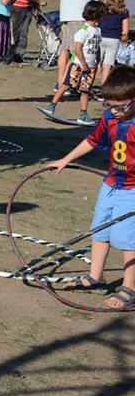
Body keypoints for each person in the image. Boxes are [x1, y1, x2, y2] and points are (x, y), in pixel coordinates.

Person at [50, 66, 135, 308]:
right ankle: (95, 277)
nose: (115, 111)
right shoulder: (109, 118)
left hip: (132, 189)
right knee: (100, 230)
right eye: (110, 105)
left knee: (127, 239)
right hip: (111, 183)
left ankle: (130, 288)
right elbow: (92, 140)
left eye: (121, 107)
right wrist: (65, 159)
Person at [45, 0, 106, 124]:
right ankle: (51, 107)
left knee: (85, 90)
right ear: (97, 15)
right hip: (78, 65)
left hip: (91, 67)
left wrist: (98, 63)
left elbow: (97, 48)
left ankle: (83, 115)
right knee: (66, 85)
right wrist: (83, 64)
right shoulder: (84, 30)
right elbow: (77, 48)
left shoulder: (98, 31)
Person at [57, 0, 108, 87]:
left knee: (66, 50)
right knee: (76, 52)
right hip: (77, 17)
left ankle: (62, 82)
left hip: (73, 16)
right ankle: (66, 83)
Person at [100, 0, 130, 84]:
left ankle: (87, 87)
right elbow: (125, 32)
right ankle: (104, 88)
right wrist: (125, 40)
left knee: (95, 64)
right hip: (114, 39)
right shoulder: (124, 11)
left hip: (100, 37)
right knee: (107, 66)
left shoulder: (102, 8)